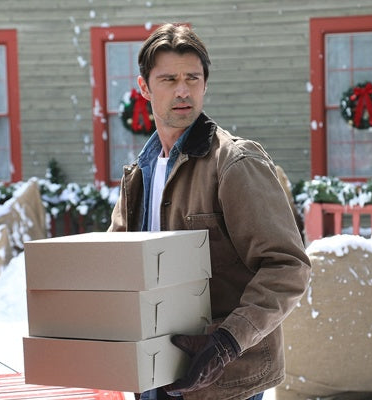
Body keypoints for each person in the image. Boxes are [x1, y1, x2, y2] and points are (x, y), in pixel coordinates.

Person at [107, 23, 311, 400]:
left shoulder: (235, 162)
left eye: (192, 78)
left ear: (205, 85)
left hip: (223, 380)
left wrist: (226, 343)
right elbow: (117, 267)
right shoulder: (138, 175)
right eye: (169, 79)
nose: (183, 90)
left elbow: (288, 267)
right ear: (144, 87)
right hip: (152, 374)